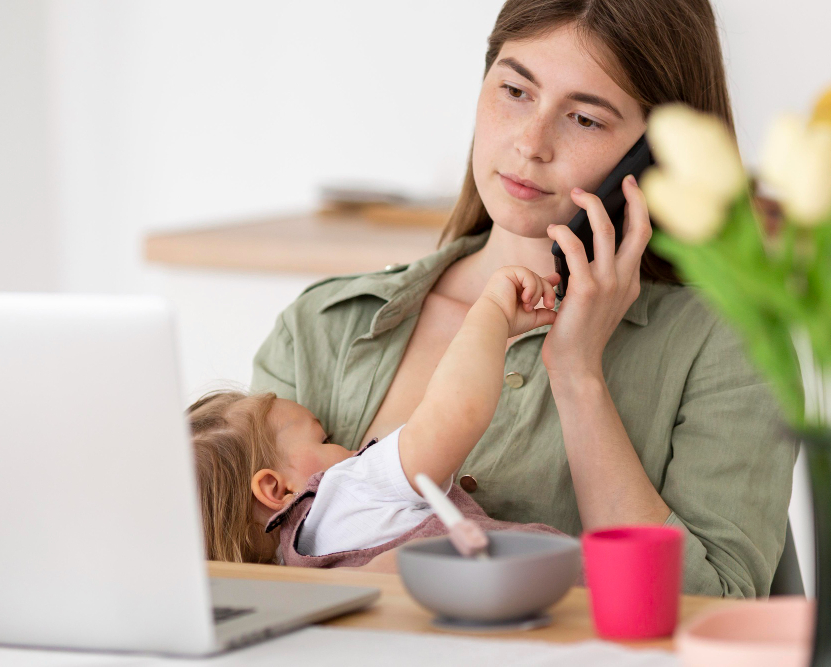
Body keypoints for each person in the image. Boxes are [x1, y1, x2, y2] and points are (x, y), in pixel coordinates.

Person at [251, 0, 796, 596]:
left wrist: (579, 375)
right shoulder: (321, 327)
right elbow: (241, 576)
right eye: (515, 91)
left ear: (657, 153)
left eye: (585, 119)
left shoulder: (730, 345)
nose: (531, 143)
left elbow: (712, 611)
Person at [189, 266, 562, 567]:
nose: (348, 447)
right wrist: (492, 313)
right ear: (278, 490)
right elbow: (457, 412)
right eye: (324, 440)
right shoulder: (344, 488)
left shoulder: (295, 568)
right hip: (561, 587)